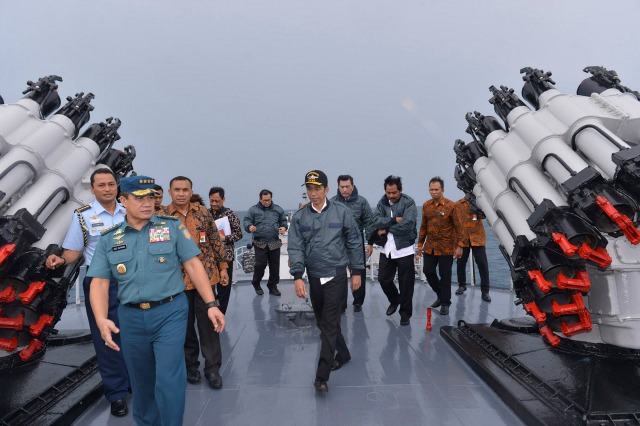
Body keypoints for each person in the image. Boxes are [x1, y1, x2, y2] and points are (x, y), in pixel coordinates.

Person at [88, 175, 225, 426]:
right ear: (123, 201)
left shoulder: (172, 227)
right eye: (139, 198)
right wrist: (101, 320)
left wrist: (211, 304)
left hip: (170, 312)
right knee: (141, 382)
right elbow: (99, 281)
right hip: (130, 318)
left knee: (169, 378)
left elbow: (194, 265)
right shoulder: (110, 238)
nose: (147, 203)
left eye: (150, 197)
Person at [45, 168, 130, 417]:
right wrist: (58, 260)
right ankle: (116, 393)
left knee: (137, 333)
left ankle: (136, 382)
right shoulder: (83, 217)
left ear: (117, 187)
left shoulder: (131, 211)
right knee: (107, 339)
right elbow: (73, 252)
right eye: (101, 185)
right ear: (92, 189)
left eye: (111, 184)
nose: (107, 189)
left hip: (133, 279)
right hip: (100, 281)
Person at [289, 170, 364, 392]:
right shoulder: (300, 218)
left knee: (330, 323)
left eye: (317, 189)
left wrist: (357, 271)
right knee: (323, 323)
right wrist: (297, 276)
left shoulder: (342, 212)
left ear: (326, 189)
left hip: (336, 274)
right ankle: (345, 353)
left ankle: (321, 376)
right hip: (314, 276)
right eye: (309, 189)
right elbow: (295, 247)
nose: (313, 193)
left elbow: (353, 240)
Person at [160, 176, 229, 390]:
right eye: (177, 190)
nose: (181, 193)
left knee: (209, 325)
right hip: (177, 281)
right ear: (170, 192)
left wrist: (223, 267)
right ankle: (191, 366)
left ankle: (213, 369)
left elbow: (215, 241)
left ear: (191, 192)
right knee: (185, 326)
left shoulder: (202, 213)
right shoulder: (161, 217)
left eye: (185, 189)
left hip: (206, 278)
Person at [370, 175, 418, 326]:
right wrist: (393, 220)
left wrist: (386, 229)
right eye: (388, 193)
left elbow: (408, 225)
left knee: (406, 284)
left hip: (404, 249)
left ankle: (405, 314)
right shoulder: (382, 202)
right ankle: (395, 300)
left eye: (394, 193)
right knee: (383, 279)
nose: (391, 196)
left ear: (400, 190)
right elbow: (375, 221)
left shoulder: (408, 202)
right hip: (387, 250)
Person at [416, 177, 464, 316]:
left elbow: (459, 227)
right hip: (430, 246)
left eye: (436, 189)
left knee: (445, 276)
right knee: (428, 271)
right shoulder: (426, 206)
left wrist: (459, 246)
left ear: (442, 190)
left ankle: (445, 303)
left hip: (446, 248)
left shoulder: (451, 206)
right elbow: (423, 226)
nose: (434, 192)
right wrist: (420, 244)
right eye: (431, 189)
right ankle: (441, 295)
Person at [330, 174, 375, 312]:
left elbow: (369, 223)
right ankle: (341, 304)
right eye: (342, 187)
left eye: (347, 186)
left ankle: (358, 302)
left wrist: (370, 242)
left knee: (358, 271)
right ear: (338, 187)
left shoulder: (362, 202)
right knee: (339, 274)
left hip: (356, 243)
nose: (344, 189)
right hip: (338, 243)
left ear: (352, 186)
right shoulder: (332, 202)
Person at [243, 189, 288, 296]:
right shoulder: (253, 210)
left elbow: (283, 221)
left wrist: (283, 227)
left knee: (275, 266)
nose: (267, 202)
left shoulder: (278, 209)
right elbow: (246, 221)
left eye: (269, 200)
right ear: (260, 199)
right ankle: (256, 283)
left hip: (274, 241)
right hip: (260, 242)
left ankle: (272, 285)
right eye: (265, 200)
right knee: (260, 264)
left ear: (271, 199)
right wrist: (250, 227)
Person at [209, 186, 243, 313]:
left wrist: (225, 238)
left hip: (226, 256)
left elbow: (239, 234)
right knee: (210, 287)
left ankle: (221, 312)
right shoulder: (207, 214)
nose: (214, 204)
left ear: (223, 199)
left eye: (217, 201)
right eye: (211, 201)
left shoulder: (230, 214)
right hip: (210, 257)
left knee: (224, 288)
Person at [455, 196, 491, 302]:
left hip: (477, 238)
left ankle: (485, 291)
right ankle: (462, 285)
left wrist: (477, 206)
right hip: (463, 239)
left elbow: (484, 216)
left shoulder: (480, 202)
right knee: (460, 264)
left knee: (483, 265)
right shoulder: (458, 204)